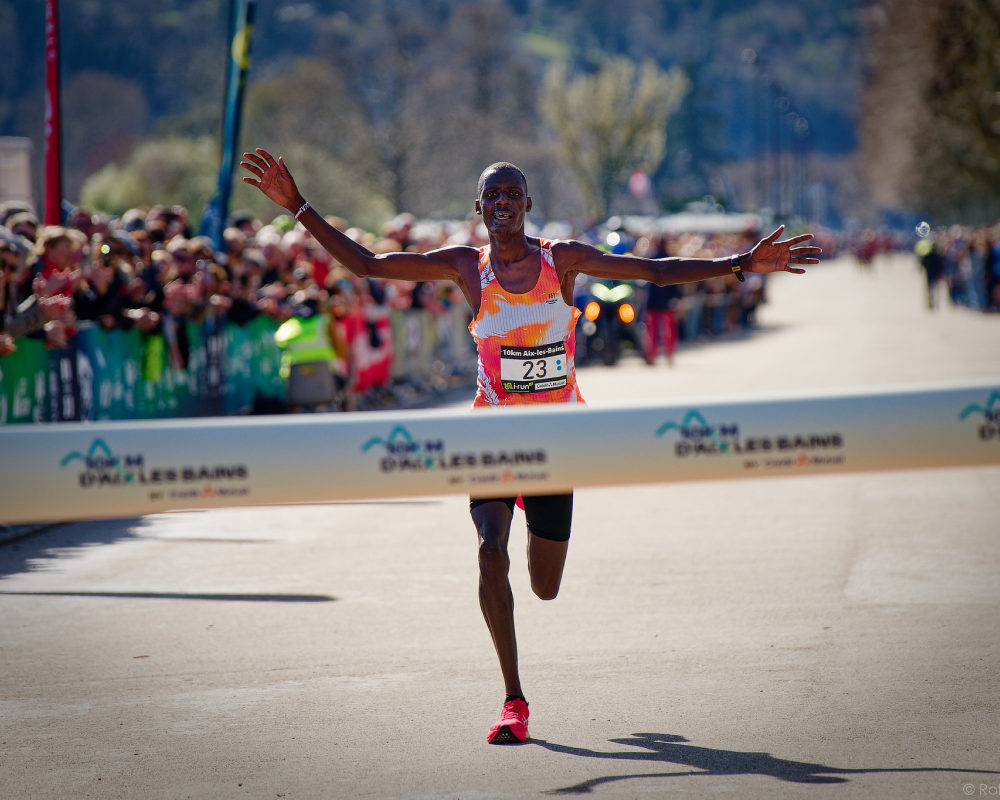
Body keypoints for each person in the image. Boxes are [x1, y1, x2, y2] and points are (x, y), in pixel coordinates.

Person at [240, 148, 821, 744]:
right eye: (492, 197)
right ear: (479, 209)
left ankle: (534, 566)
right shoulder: (467, 267)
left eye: (512, 195)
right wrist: (300, 208)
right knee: (491, 551)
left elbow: (654, 273)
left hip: (555, 442)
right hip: (491, 436)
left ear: (527, 206)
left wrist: (742, 262)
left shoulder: (560, 262)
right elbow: (366, 264)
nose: (502, 205)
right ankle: (514, 699)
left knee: (544, 585)